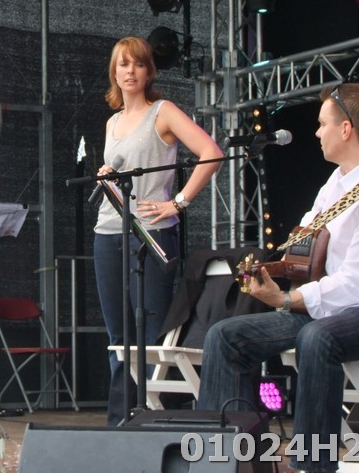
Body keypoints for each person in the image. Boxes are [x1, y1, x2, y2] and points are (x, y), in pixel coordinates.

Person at [197, 82, 359, 472]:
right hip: (332, 310)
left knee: (316, 337)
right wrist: (271, 271)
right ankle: (227, 463)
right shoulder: (336, 184)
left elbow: (355, 284)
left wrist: (285, 300)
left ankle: (312, 466)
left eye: (322, 124)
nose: (317, 132)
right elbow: (303, 247)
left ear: (346, 129)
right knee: (224, 336)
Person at [93, 36, 223, 426]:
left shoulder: (162, 112)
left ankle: (149, 418)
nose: (130, 71)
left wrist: (177, 201)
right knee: (118, 334)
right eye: (123, 64)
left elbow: (211, 153)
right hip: (108, 230)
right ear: (114, 72)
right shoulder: (112, 121)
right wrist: (109, 179)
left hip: (151, 232)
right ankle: (120, 421)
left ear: (149, 71)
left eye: (137, 64)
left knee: (149, 330)